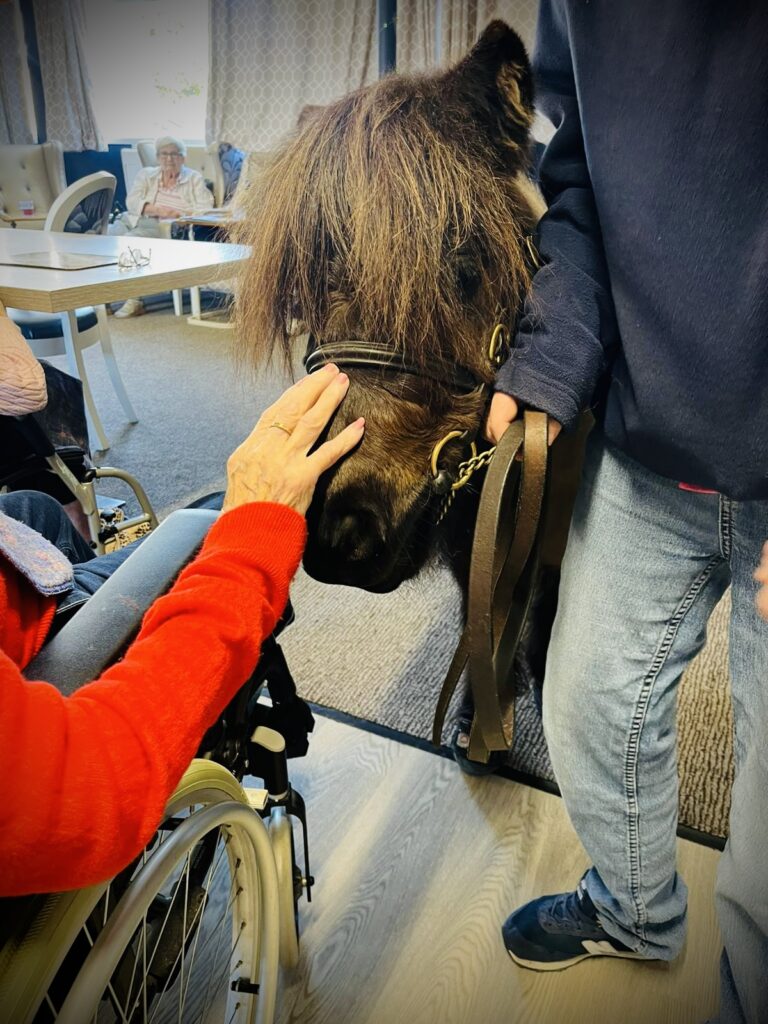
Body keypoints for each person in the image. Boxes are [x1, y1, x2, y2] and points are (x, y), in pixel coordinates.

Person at [484, 4, 768, 1023]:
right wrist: (557, 352)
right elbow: (582, 183)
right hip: (652, 442)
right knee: (589, 706)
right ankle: (635, 910)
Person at [0, 318, 365, 895]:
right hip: (52, 698)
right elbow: (89, 790)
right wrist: (251, 538)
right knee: (216, 514)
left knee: (35, 511)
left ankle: (89, 589)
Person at [112, 135, 213, 318]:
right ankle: (104, 300)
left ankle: (134, 300)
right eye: (164, 154)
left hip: (162, 226)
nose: (169, 159)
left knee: (130, 243)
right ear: (158, 157)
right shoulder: (146, 175)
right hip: (134, 218)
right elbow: (132, 201)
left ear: (183, 158)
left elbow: (206, 208)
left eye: (174, 154)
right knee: (105, 239)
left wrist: (178, 215)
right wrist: (157, 209)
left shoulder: (194, 179)